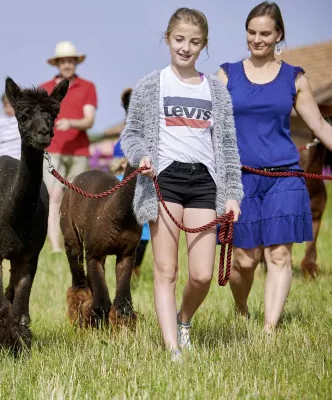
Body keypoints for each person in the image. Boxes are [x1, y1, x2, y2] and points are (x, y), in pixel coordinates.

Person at [120, 7, 243, 363]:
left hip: (205, 182)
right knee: (166, 270)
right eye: (179, 40)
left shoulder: (215, 91)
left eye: (194, 42)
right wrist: (141, 156)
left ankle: (183, 320)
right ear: (168, 39)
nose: (186, 48)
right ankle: (173, 348)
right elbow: (132, 135)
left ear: (204, 45)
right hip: (164, 180)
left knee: (203, 274)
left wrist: (233, 193)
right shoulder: (151, 85)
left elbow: (228, 147)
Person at [217, 1, 332, 333]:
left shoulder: (294, 78)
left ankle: (268, 331)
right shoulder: (226, 74)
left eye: (265, 33)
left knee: (279, 255)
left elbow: (321, 128)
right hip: (240, 180)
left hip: (284, 177)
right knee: (244, 261)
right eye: (252, 32)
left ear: (279, 34)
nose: (257, 39)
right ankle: (241, 307)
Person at [40, 41, 97, 252]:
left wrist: (71, 122)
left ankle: (76, 242)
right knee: (54, 196)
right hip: (52, 150)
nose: (67, 64)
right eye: (63, 61)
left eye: (70, 60)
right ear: (57, 64)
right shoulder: (44, 89)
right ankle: (55, 247)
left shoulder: (88, 87)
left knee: (77, 198)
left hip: (79, 152)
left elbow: (89, 120)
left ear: (75, 62)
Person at [111, 140, 150, 269]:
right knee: (126, 260)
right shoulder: (116, 181)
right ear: (122, 163)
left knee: (137, 261)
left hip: (143, 231)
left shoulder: (145, 180)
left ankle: (135, 277)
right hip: (125, 229)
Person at [0, 93, 21, 162]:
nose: (6, 109)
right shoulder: (0, 120)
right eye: (4, 105)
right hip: (0, 159)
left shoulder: (21, 121)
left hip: (17, 158)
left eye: (8, 105)